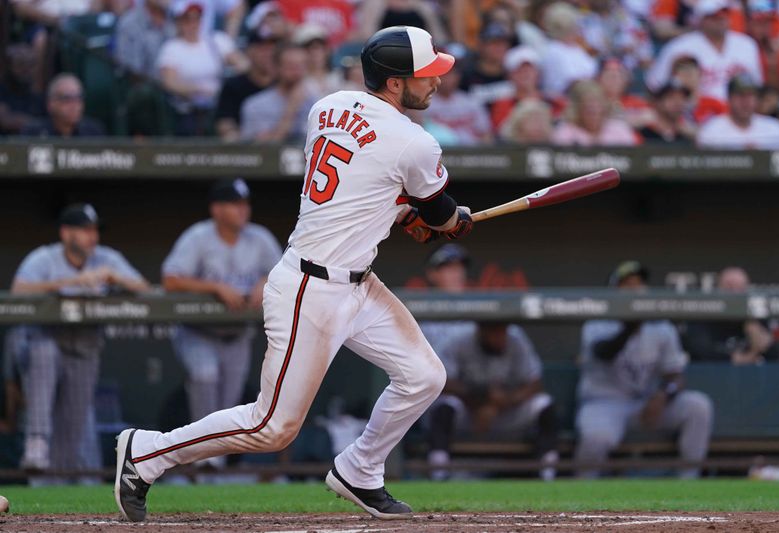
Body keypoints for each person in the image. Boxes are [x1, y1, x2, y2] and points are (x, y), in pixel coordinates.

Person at [115, 25, 472, 522]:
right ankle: (146, 452)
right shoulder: (416, 142)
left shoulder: (326, 107)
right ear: (394, 83)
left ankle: (361, 470)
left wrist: (405, 212)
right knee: (272, 426)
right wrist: (448, 222)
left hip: (357, 284)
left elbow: (363, 187)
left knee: (423, 376)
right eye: (425, 74)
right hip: (313, 288)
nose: (436, 81)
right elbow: (440, 215)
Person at [11, 204, 149, 473]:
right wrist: (67, 283)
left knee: (72, 428)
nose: (92, 237)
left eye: (94, 230)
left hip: (84, 346)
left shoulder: (106, 258)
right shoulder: (45, 258)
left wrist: (115, 277)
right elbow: (19, 291)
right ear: (66, 233)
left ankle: (55, 485)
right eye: (85, 230)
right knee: (43, 351)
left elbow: (145, 289)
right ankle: (37, 442)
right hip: (47, 338)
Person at [161, 178, 283, 468]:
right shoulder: (198, 237)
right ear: (216, 209)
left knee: (229, 405)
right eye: (234, 204)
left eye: (245, 204)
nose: (242, 210)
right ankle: (202, 458)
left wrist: (266, 281)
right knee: (205, 375)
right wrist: (214, 288)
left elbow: (284, 270)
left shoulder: (260, 238)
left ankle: (215, 464)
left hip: (236, 335)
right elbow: (171, 279)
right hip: (198, 332)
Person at [574, 260, 713, 479]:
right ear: (614, 291)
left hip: (645, 406)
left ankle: (689, 484)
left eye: (638, 284)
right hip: (604, 404)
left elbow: (675, 375)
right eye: (627, 284)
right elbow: (604, 352)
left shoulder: (661, 327)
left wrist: (663, 394)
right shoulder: (597, 323)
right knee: (596, 438)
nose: (634, 289)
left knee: (698, 406)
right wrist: (630, 327)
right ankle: (580, 495)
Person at [427, 322, 559, 481]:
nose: (501, 337)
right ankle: (438, 473)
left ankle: (548, 475)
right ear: (481, 330)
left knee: (543, 404)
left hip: (507, 414)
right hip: (469, 414)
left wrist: (506, 401)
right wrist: (482, 398)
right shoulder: (459, 340)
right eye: (495, 331)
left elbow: (535, 383)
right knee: (445, 406)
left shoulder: (516, 338)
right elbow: (440, 382)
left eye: (503, 331)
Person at [156, 0, 249, 136]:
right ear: (178, 21)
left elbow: (244, 65)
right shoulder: (171, 48)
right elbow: (169, 82)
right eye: (187, 18)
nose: (193, 23)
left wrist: (230, 82)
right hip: (187, 109)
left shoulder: (216, 40)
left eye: (197, 18)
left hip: (220, 105)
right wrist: (198, 91)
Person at [646, 0, 762, 103]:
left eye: (724, 13)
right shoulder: (679, 47)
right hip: (696, 116)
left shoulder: (747, 44)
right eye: (714, 16)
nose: (720, 19)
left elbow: (757, 86)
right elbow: (655, 86)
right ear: (701, 19)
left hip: (738, 113)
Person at [683, 267, 779, 364]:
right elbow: (699, 352)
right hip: (712, 376)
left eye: (740, 288)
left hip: (750, 377)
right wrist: (736, 360)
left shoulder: (756, 318)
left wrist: (758, 336)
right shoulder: (703, 314)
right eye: (729, 287)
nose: (735, 293)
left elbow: (775, 357)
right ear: (718, 288)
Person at [696, 73, 779, 148]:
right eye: (740, 96)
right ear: (729, 99)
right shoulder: (712, 131)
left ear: (757, 99)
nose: (746, 102)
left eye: (750, 96)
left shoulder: (776, 129)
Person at [215, 28, 283, 142]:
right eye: (261, 48)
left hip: (283, 144)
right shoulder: (234, 85)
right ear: (249, 51)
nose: (267, 53)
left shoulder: (284, 82)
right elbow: (224, 123)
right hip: (248, 147)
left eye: (271, 48)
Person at [239, 44, 318, 142]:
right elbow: (263, 149)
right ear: (277, 67)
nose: (297, 72)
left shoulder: (317, 103)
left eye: (302, 65)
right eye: (291, 66)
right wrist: (291, 108)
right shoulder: (256, 105)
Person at [551, 79, 639, 146]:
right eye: (587, 105)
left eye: (597, 104)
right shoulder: (565, 132)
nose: (593, 110)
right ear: (577, 109)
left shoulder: (619, 130)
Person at [20, 74, 105, 137]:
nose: (74, 105)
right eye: (67, 98)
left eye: (78, 98)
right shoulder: (34, 132)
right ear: (51, 104)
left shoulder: (93, 132)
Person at [114, 0, 174, 79]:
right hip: (148, 87)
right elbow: (132, 73)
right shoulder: (131, 23)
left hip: (183, 86)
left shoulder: (177, 18)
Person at [638, 78, 696, 143]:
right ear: (658, 102)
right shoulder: (643, 133)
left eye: (682, 98)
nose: (678, 103)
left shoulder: (687, 137)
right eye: (671, 97)